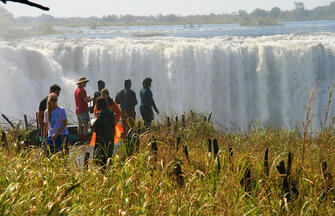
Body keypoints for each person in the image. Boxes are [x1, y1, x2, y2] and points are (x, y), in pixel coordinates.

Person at [92, 97, 115, 167]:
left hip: (103, 140)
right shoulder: (110, 112)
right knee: (109, 158)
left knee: (103, 161)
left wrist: (92, 124)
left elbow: (95, 127)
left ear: (99, 105)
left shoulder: (102, 114)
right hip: (110, 138)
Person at [74, 76, 92, 141]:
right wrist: (91, 98)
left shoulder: (76, 90)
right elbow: (85, 100)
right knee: (85, 124)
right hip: (83, 109)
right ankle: (85, 138)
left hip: (77, 109)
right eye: (84, 82)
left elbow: (81, 99)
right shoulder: (83, 90)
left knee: (79, 124)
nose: (85, 83)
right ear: (81, 83)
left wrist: (87, 98)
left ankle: (80, 138)